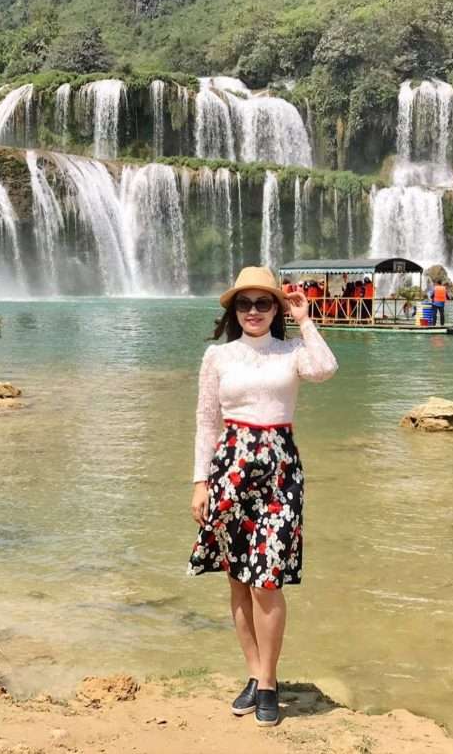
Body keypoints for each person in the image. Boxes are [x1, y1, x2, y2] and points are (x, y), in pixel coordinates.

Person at [188, 266, 338, 728]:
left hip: (279, 468)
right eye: (245, 303)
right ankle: (254, 673)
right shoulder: (218, 356)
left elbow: (325, 369)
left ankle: (269, 681)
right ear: (234, 310)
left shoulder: (293, 350)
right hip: (229, 466)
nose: (254, 311)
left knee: (266, 580)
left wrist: (306, 319)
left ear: (276, 309)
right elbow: (207, 423)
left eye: (264, 303)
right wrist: (199, 483)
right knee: (237, 577)